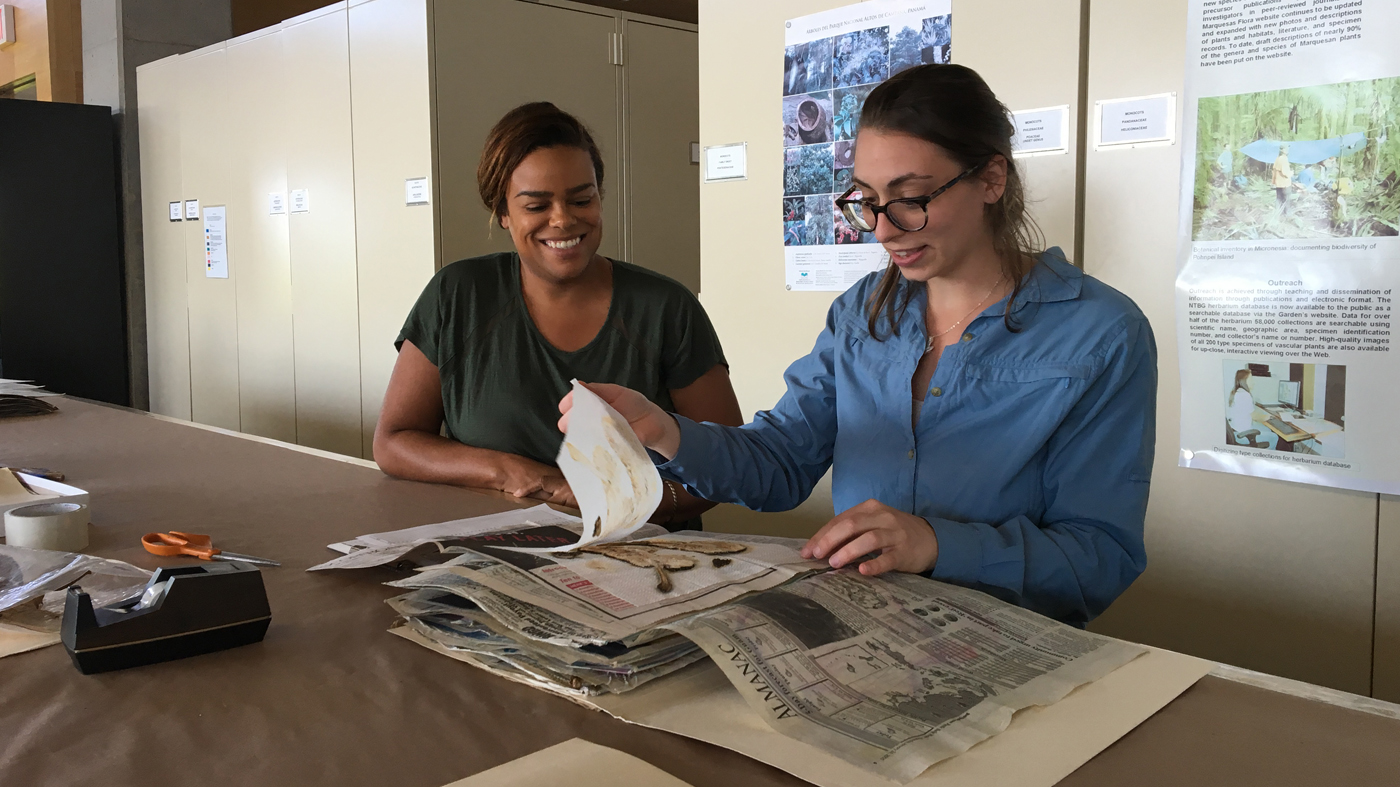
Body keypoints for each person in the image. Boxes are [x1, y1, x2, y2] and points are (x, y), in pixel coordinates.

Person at [560, 64, 1157, 625]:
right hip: (859, 626)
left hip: (1009, 644)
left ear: (991, 180)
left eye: (910, 197)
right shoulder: (863, 313)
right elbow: (782, 463)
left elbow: (1100, 557)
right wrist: (664, 430)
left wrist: (936, 544)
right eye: (867, 198)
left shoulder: (1100, 332)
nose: (882, 227)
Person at [375, 102, 743, 528]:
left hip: (641, 559)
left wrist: (610, 502)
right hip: (493, 552)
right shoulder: (458, 295)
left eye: (581, 199)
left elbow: (722, 468)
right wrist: (514, 473)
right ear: (502, 212)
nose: (563, 220)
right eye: (536, 206)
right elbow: (394, 442)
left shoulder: (666, 308)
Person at [1227, 370, 1257, 444]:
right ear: (1244, 381)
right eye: (1251, 379)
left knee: (1266, 429)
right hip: (1244, 435)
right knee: (1274, 437)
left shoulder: (1237, 392)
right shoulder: (1245, 395)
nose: (1254, 382)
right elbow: (1255, 416)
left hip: (1236, 430)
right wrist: (1268, 417)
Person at [1273, 146, 1292, 212]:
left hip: (1278, 184)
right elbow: (1285, 173)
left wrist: (1273, 182)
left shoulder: (1277, 159)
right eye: (1287, 148)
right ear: (1283, 150)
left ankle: (1277, 214)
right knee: (1286, 200)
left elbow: (1274, 172)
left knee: (1278, 199)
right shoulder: (1284, 159)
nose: (1288, 150)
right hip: (1285, 184)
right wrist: (1291, 173)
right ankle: (1287, 215)